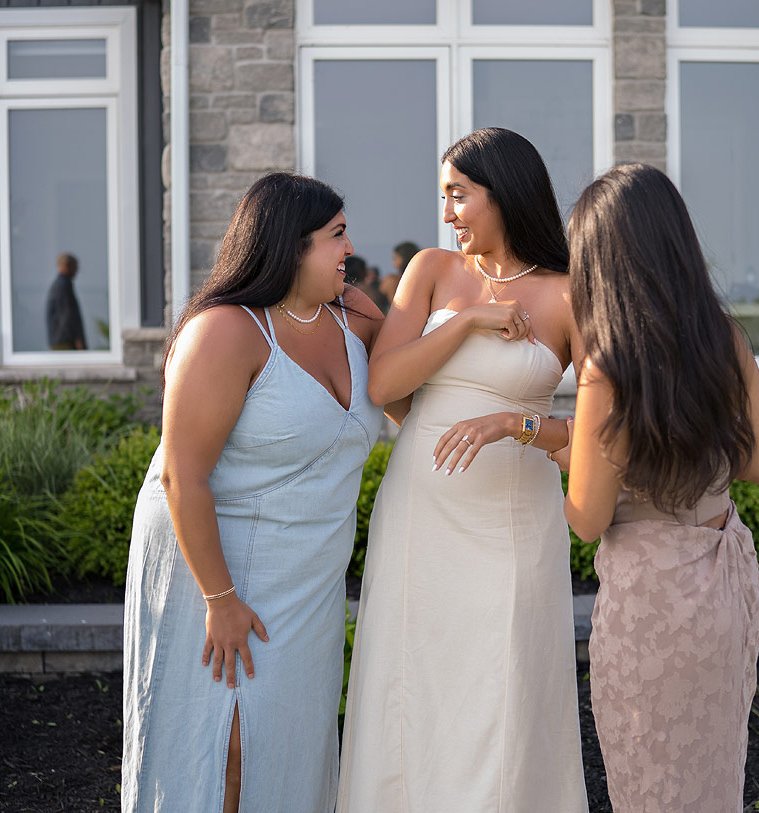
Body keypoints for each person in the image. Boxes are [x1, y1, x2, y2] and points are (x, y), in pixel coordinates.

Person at [337, 128, 588, 812]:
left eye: (459, 194)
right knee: (412, 682)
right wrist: (471, 320)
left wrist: (520, 423)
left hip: (514, 519)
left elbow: (601, 428)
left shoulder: (572, 295)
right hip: (422, 510)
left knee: (502, 689)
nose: (448, 212)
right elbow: (384, 383)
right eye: (444, 195)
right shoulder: (431, 272)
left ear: (503, 192)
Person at [122, 172, 388, 813]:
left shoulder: (358, 315)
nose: (349, 248)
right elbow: (181, 476)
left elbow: (420, 394)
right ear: (290, 246)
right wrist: (220, 599)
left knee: (293, 741)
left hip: (308, 574)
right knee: (225, 746)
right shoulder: (226, 331)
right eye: (337, 236)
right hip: (214, 566)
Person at [555, 163, 759, 813]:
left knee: (650, 786)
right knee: (713, 784)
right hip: (724, 586)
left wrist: (553, 459)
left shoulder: (608, 369)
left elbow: (588, 519)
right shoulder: (724, 339)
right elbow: (756, 463)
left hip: (651, 602)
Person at [46, 252, 86, 350]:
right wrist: (77, 338)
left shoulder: (59, 284)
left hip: (59, 339)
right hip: (65, 341)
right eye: (75, 267)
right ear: (67, 266)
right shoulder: (63, 285)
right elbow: (67, 314)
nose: (77, 270)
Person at [378, 239, 418, 305]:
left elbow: (397, 307)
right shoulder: (423, 282)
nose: (393, 263)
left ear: (404, 258)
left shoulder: (392, 281)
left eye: (395, 259)